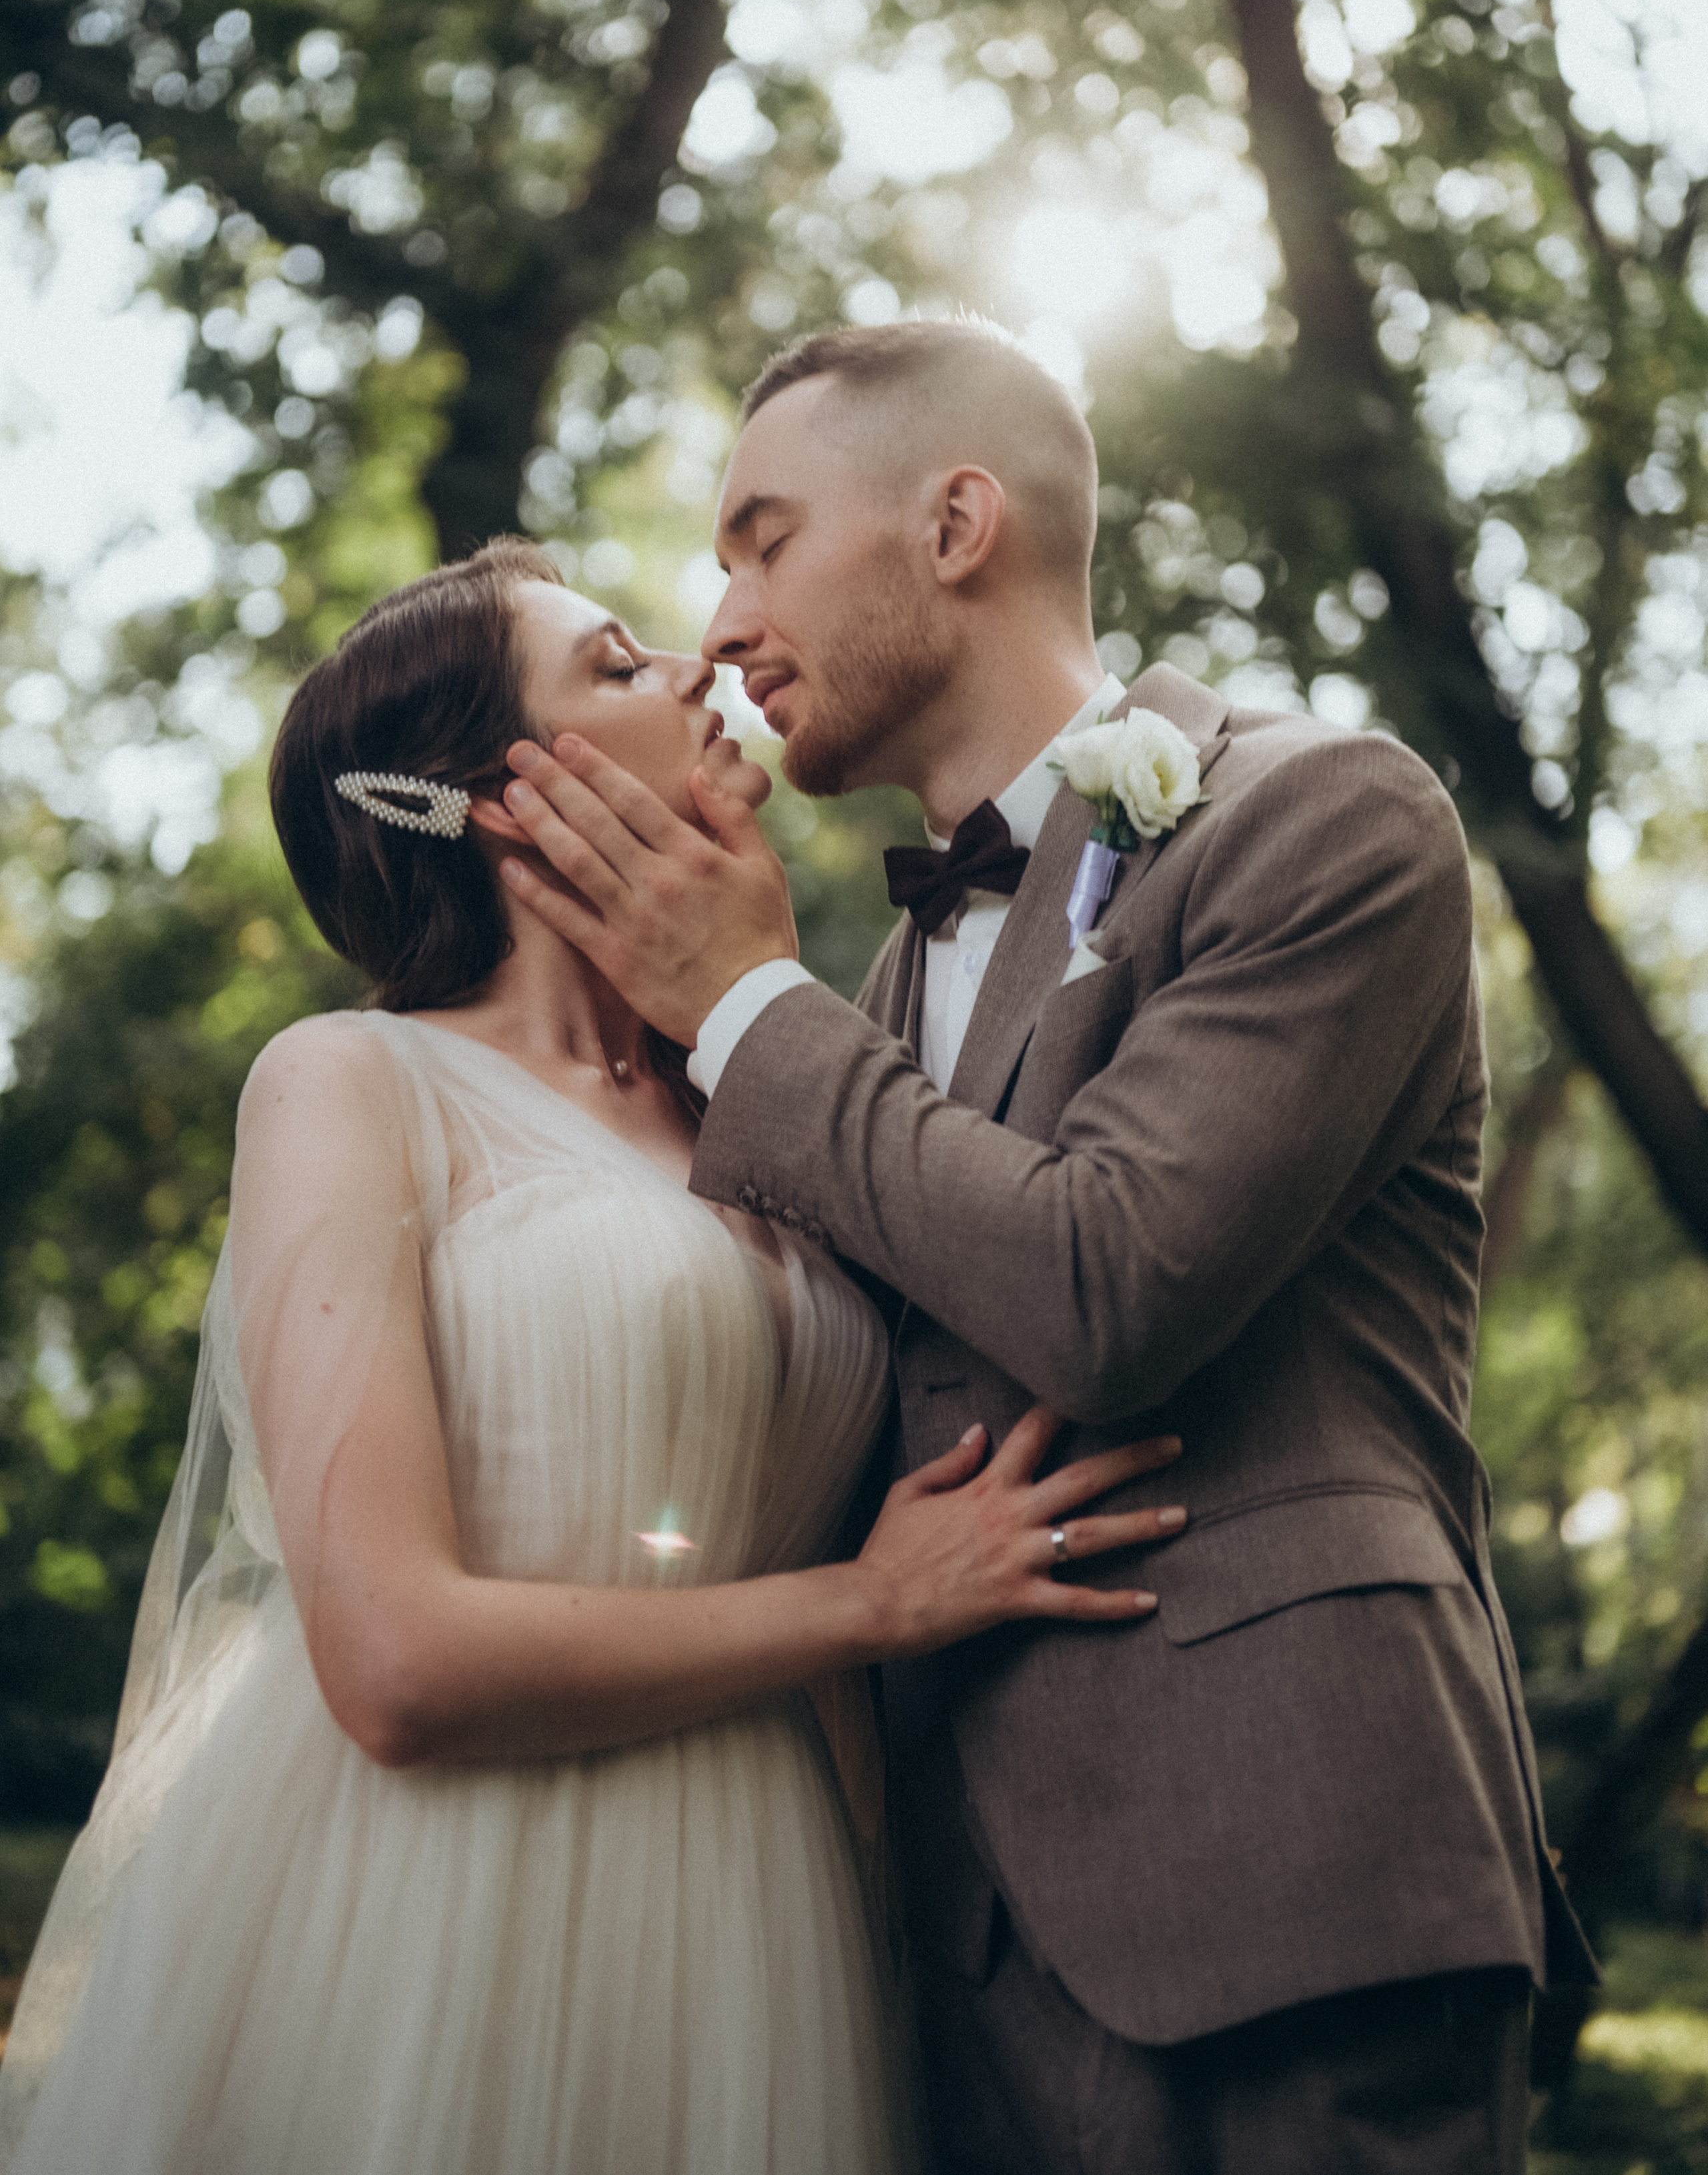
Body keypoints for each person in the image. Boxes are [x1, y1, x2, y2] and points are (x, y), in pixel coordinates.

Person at [494, 320, 1601, 2175]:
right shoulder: (866, 989)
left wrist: (744, 1006)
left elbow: (1109, 1288)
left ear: (954, 525)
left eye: (765, 540)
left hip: (1295, 1891)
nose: (724, 618)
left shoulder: (1320, 814)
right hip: (956, 1962)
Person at [0, 536, 1188, 2175]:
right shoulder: (348, 1084)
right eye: (620, 664)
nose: (702, 663)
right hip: (435, 1907)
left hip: (757, 1916)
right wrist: (873, 1603)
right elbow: (392, 1663)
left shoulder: (761, 1106)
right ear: (503, 798)